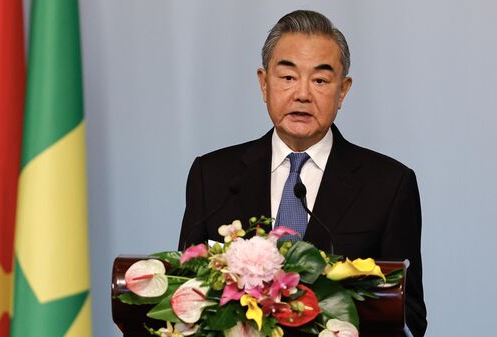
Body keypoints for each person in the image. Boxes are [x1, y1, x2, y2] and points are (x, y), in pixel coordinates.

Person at [178, 10, 427, 337]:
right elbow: (185, 296)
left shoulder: (389, 185)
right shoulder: (212, 177)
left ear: (343, 91)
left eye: (321, 80)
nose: (303, 94)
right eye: (287, 77)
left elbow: (408, 314)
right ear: (264, 84)